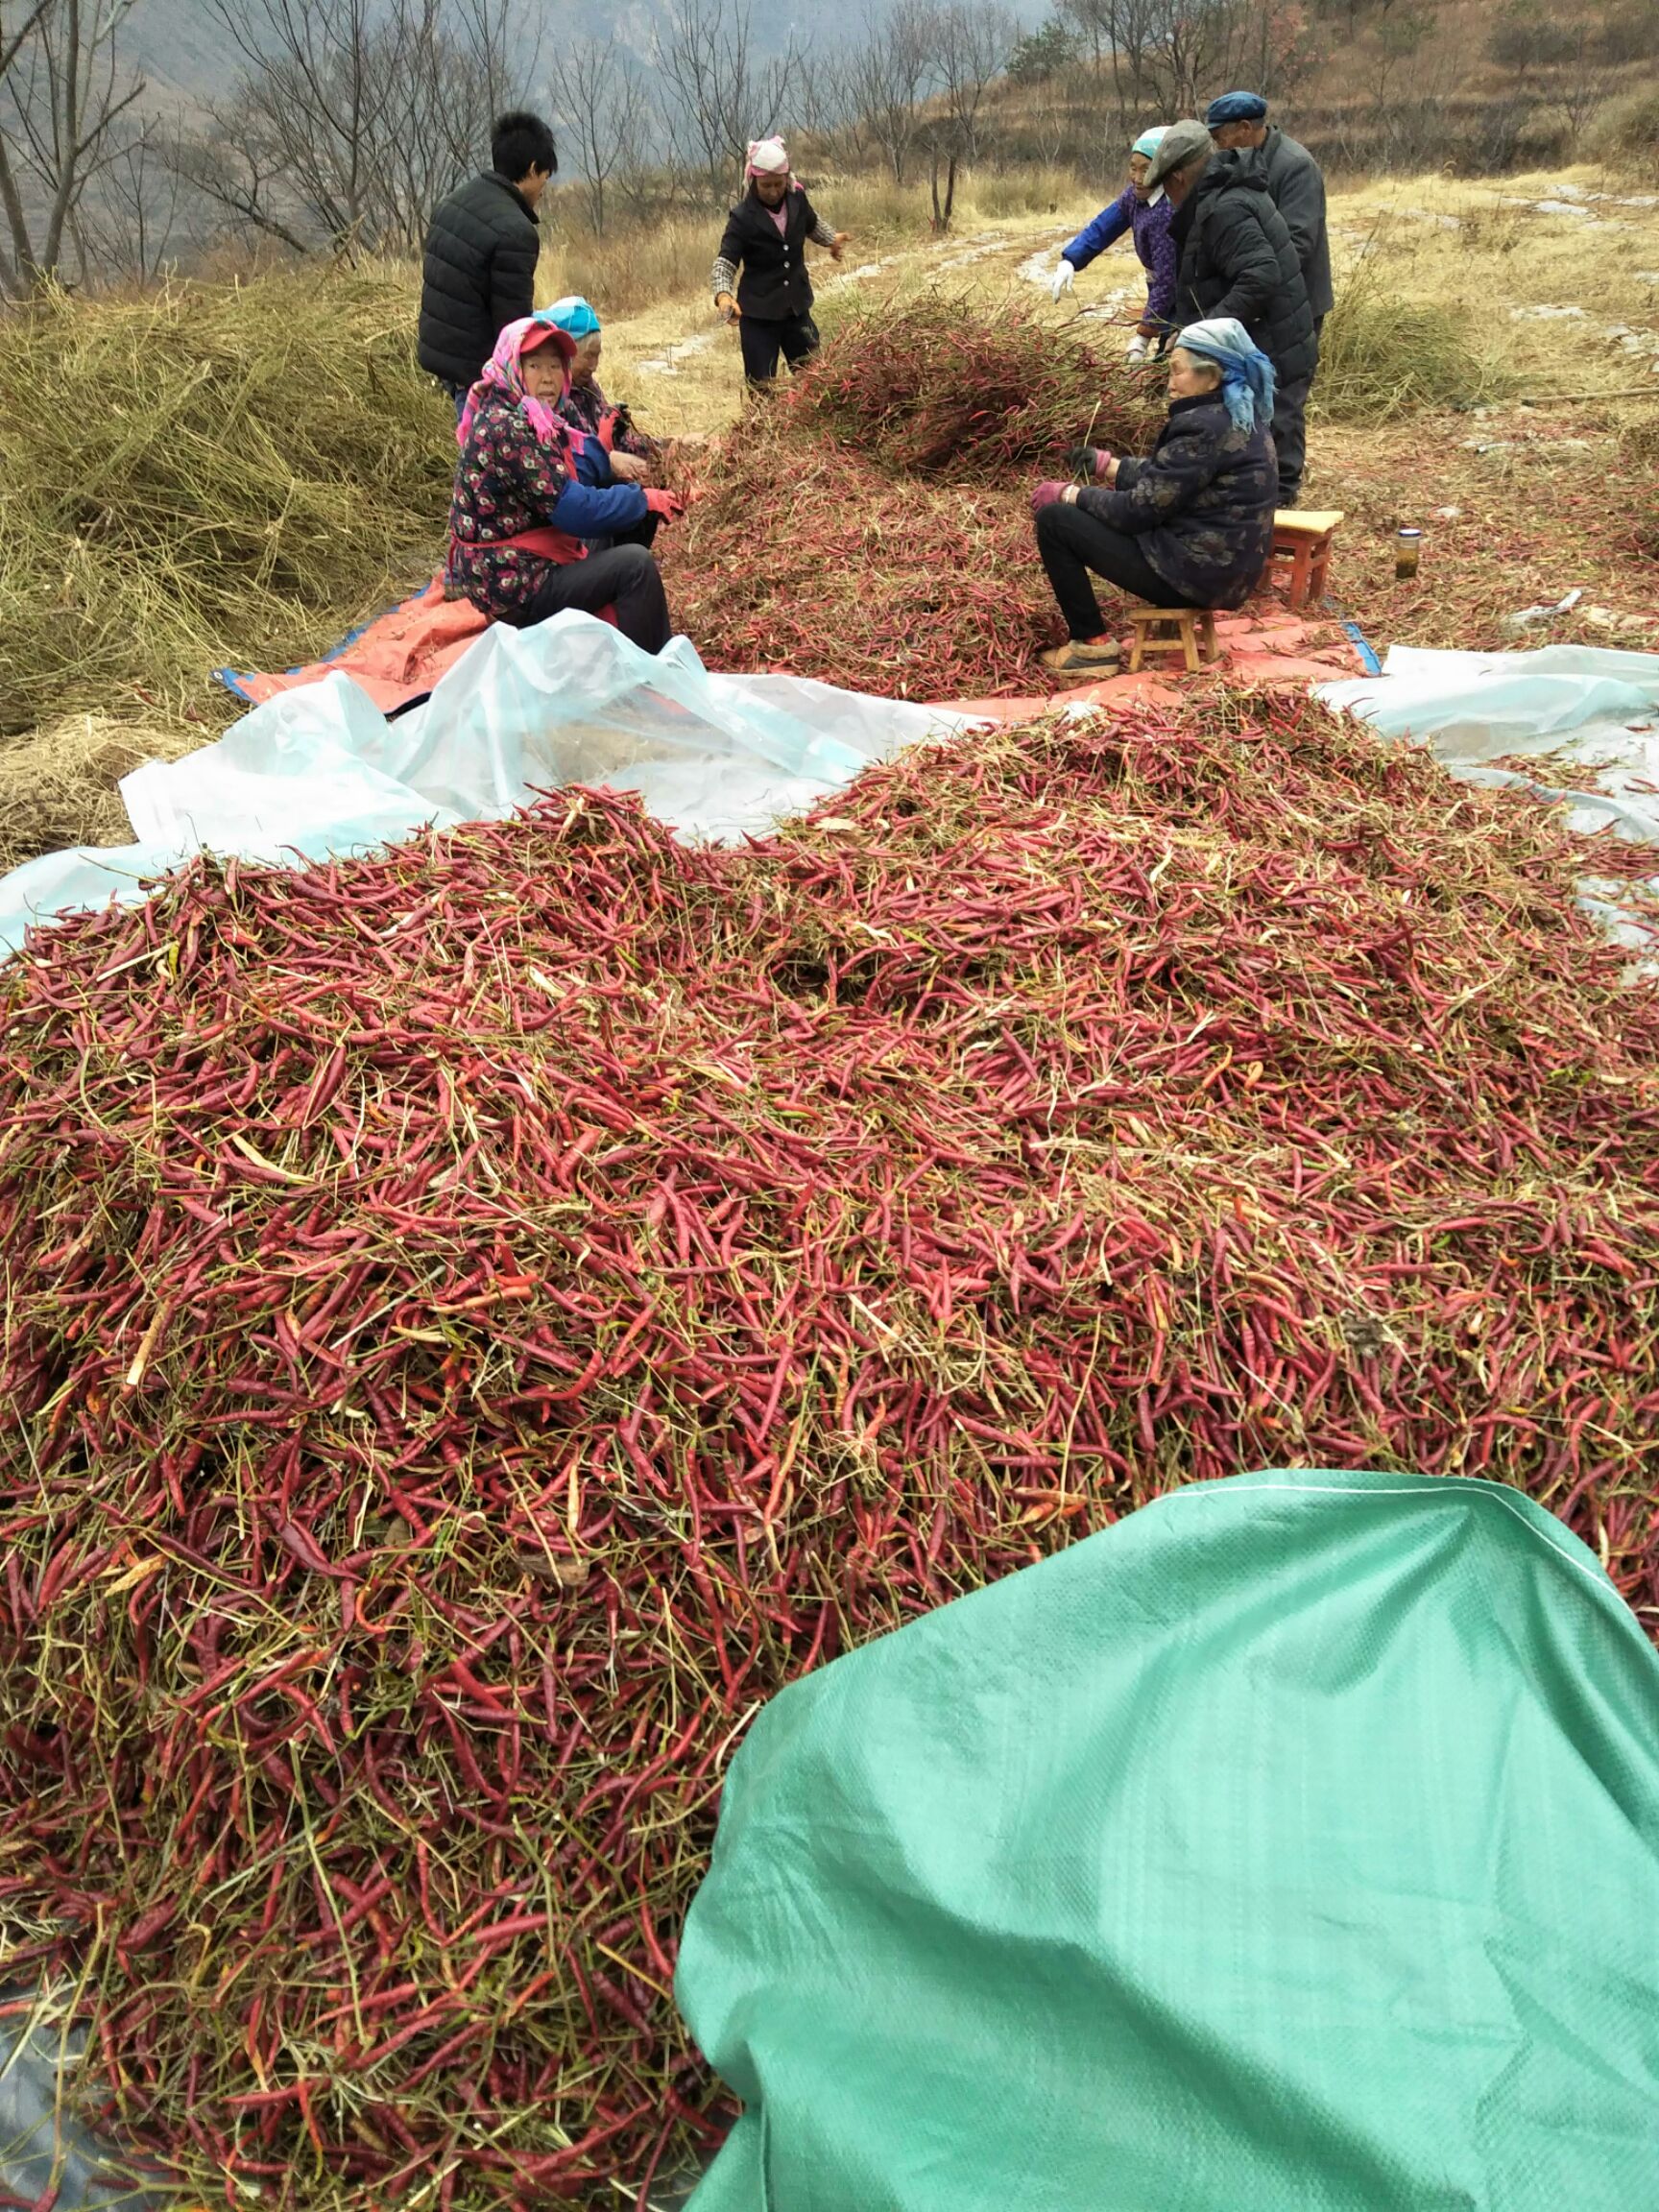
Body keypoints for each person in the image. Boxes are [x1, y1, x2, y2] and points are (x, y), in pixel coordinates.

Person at [1031, 318, 1278, 676]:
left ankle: (1091, 648)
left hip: (1192, 575)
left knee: (1056, 522)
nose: (1170, 382)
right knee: (1074, 514)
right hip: (1225, 571)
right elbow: (1175, 478)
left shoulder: (1203, 426)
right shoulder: (1238, 416)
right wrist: (1110, 466)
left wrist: (1071, 494)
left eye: (1178, 371)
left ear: (1212, 377)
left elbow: (1137, 511)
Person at [446, 316, 680, 655]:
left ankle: (615, 628)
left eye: (555, 366)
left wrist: (622, 482)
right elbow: (572, 509)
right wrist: (640, 499)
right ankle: (649, 676)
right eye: (535, 365)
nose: (547, 378)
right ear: (513, 367)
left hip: (529, 558)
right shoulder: (508, 428)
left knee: (630, 515)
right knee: (635, 566)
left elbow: (566, 474)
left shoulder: (529, 413)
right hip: (513, 583)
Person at [1145, 118, 1317, 507]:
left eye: (1166, 190)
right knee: (1254, 446)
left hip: (1274, 345)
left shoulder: (1225, 209)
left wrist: (1201, 336)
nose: (1167, 199)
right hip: (1267, 342)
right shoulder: (1218, 201)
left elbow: (1259, 277)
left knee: (1272, 449)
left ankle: (1270, 526)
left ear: (1177, 179)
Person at [419, 112, 558, 416]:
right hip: (476, 372)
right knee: (484, 455)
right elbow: (513, 328)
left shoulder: (452, 203)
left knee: (469, 442)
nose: (544, 189)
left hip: (444, 358)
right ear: (533, 169)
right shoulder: (516, 232)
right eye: (545, 177)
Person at [710, 137, 849, 386]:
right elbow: (725, 261)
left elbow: (812, 224)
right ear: (753, 181)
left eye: (778, 184)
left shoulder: (797, 200)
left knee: (816, 379)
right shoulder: (742, 218)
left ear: (787, 178)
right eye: (766, 186)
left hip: (797, 310)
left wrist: (832, 240)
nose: (774, 191)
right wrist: (723, 295)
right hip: (759, 316)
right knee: (762, 387)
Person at [541, 295, 664, 550]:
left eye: (598, 356)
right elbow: (568, 460)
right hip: (570, 504)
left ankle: (626, 559)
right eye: (589, 356)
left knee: (646, 488)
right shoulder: (548, 397)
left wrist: (665, 448)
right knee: (632, 498)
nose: (595, 366)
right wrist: (607, 459)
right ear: (567, 353)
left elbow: (622, 440)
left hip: (591, 491)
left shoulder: (588, 389)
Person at [1205, 93, 1334, 332]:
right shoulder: (1239, 163)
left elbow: (1298, 243)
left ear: (1244, 129)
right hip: (1258, 299)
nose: (1218, 147)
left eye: (1220, 138)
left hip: (1297, 303)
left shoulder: (1296, 166)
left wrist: (1253, 278)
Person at [1049, 128, 1177, 361]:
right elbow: (1104, 226)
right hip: (1163, 297)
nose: (1137, 178)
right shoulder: (1135, 197)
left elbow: (1167, 282)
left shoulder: (1166, 212)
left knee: (1170, 369)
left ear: (1164, 170)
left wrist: (1143, 336)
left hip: (1185, 303)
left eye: (1146, 170)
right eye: (1133, 167)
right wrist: (1070, 259)